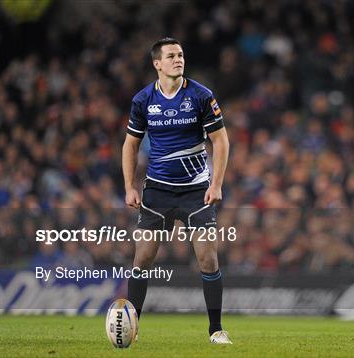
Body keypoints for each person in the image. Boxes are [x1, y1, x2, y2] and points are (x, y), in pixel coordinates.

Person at [122, 37, 232, 344]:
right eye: (171, 56)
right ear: (157, 63)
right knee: (142, 259)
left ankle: (216, 330)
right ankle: (133, 326)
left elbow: (220, 140)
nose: (178, 59)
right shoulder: (143, 100)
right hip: (157, 191)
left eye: (181, 54)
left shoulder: (200, 95)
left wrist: (217, 183)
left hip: (197, 191)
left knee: (208, 260)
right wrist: (130, 186)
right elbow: (130, 144)